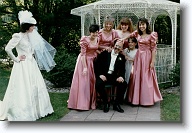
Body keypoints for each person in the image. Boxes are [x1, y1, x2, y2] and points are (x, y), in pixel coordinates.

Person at [0, 10, 55, 121]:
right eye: (32, 26)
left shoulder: (30, 36)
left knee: (35, 86)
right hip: (23, 66)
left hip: (31, 65)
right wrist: (16, 59)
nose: (34, 28)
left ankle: (40, 110)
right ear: (26, 26)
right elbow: (7, 49)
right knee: (23, 87)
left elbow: (32, 50)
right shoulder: (18, 36)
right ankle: (24, 111)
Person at [122, 17, 163, 106]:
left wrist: (152, 62)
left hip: (147, 57)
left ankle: (146, 100)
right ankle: (136, 99)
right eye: (140, 24)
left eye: (143, 24)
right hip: (139, 57)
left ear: (147, 25)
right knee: (137, 76)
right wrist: (122, 39)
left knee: (146, 77)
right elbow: (130, 35)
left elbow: (153, 49)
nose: (141, 26)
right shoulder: (137, 34)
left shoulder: (152, 35)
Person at [67, 24, 100, 110]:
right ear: (90, 32)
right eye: (93, 33)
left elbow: (95, 49)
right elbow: (83, 54)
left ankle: (90, 102)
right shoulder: (85, 39)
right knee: (84, 83)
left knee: (92, 82)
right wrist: (85, 67)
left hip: (93, 61)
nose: (95, 34)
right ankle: (81, 104)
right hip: (84, 61)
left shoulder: (98, 38)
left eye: (96, 32)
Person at [94, 40, 127, 113]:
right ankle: (106, 102)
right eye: (116, 45)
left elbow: (122, 70)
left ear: (121, 49)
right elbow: (97, 65)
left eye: (119, 47)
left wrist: (121, 76)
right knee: (98, 85)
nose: (117, 48)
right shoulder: (105, 53)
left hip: (113, 77)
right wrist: (100, 74)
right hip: (104, 75)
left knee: (123, 84)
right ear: (113, 45)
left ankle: (116, 104)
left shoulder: (121, 57)